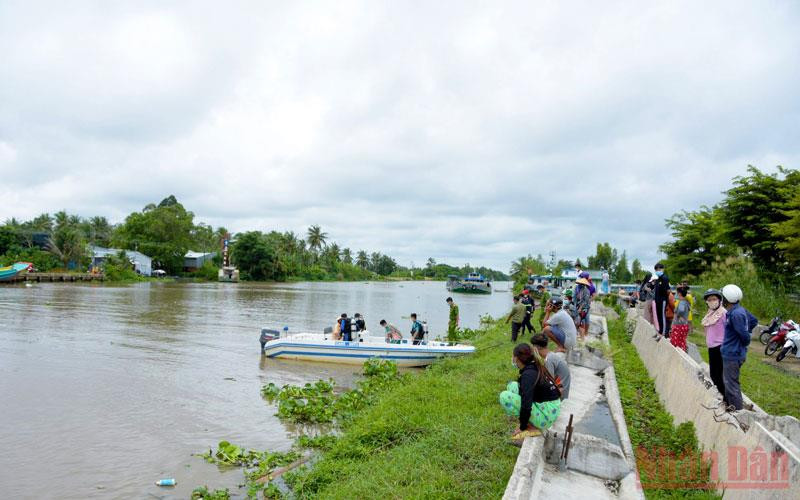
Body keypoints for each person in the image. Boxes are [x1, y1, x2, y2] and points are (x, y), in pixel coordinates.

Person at [499, 343, 561, 440]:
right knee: (512, 386)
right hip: (550, 408)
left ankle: (532, 426)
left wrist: (522, 426)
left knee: (504, 396)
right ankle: (531, 421)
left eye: (513, 356)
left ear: (517, 359)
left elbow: (526, 405)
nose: (512, 359)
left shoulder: (528, 375)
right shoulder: (534, 365)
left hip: (546, 416)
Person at [721, 284, 757, 411]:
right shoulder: (739, 310)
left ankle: (738, 412)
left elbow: (745, 336)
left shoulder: (736, 314)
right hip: (733, 352)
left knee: (731, 385)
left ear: (726, 299)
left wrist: (742, 341)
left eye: (722, 298)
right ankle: (733, 407)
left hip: (733, 353)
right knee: (729, 382)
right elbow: (754, 320)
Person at [702, 289, 727, 403]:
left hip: (720, 347)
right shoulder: (709, 313)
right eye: (709, 300)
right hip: (712, 347)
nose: (712, 301)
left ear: (719, 299)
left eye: (714, 299)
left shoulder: (723, 313)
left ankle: (727, 400)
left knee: (720, 375)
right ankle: (722, 396)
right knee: (714, 374)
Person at [531, 334, 571, 399]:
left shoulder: (549, 360)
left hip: (559, 393)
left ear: (536, 347)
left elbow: (548, 382)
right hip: (562, 389)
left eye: (533, 346)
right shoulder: (551, 355)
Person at [653, 263, 670, 337]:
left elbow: (668, 290)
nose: (657, 271)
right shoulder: (657, 279)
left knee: (662, 316)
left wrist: (665, 299)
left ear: (662, 269)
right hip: (657, 300)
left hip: (662, 300)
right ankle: (660, 330)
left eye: (659, 269)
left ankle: (663, 333)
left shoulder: (665, 278)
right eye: (656, 270)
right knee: (658, 315)